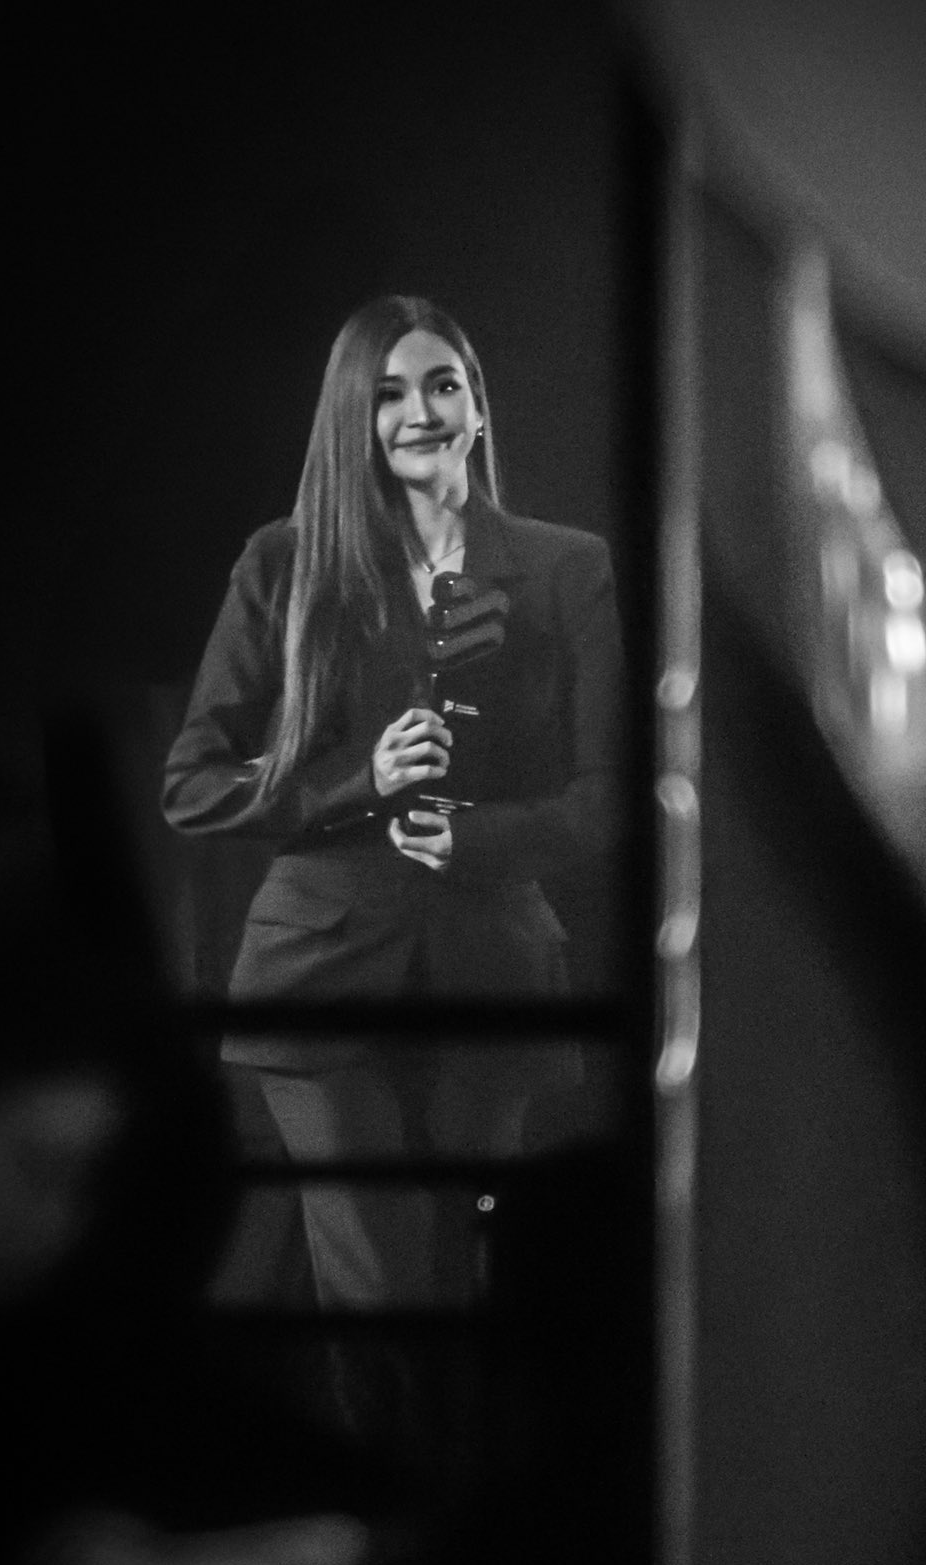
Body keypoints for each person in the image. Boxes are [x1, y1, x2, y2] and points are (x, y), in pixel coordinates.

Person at [162, 294, 623, 1320]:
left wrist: (474, 838)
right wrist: (354, 784)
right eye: (388, 393)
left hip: (491, 972)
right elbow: (192, 784)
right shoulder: (284, 562)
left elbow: (609, 799)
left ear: (478, 407)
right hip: (315, 980)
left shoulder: (567, 568)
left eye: (441, 384)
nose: (420, 411)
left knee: (469, 1292)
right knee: (376, 1298)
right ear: (354, 418)